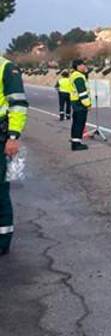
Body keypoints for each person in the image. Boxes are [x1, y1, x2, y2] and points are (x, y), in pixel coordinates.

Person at [0, 55, 28, 255]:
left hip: (1, 137)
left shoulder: (7, 68)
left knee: (0, 191)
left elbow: (18, 104)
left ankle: (3, 241)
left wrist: (13, 136)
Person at [69, 59, 91, 151]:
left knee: (76, 123)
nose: (84, 66)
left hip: (76, 102)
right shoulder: (78, 77)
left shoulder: (76, 75)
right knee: (79, 123)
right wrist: (88, 104)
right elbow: (82, 92)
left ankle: (75, 142)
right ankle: (76, 144)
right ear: (78, 66)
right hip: (80, 103)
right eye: (83, 65)